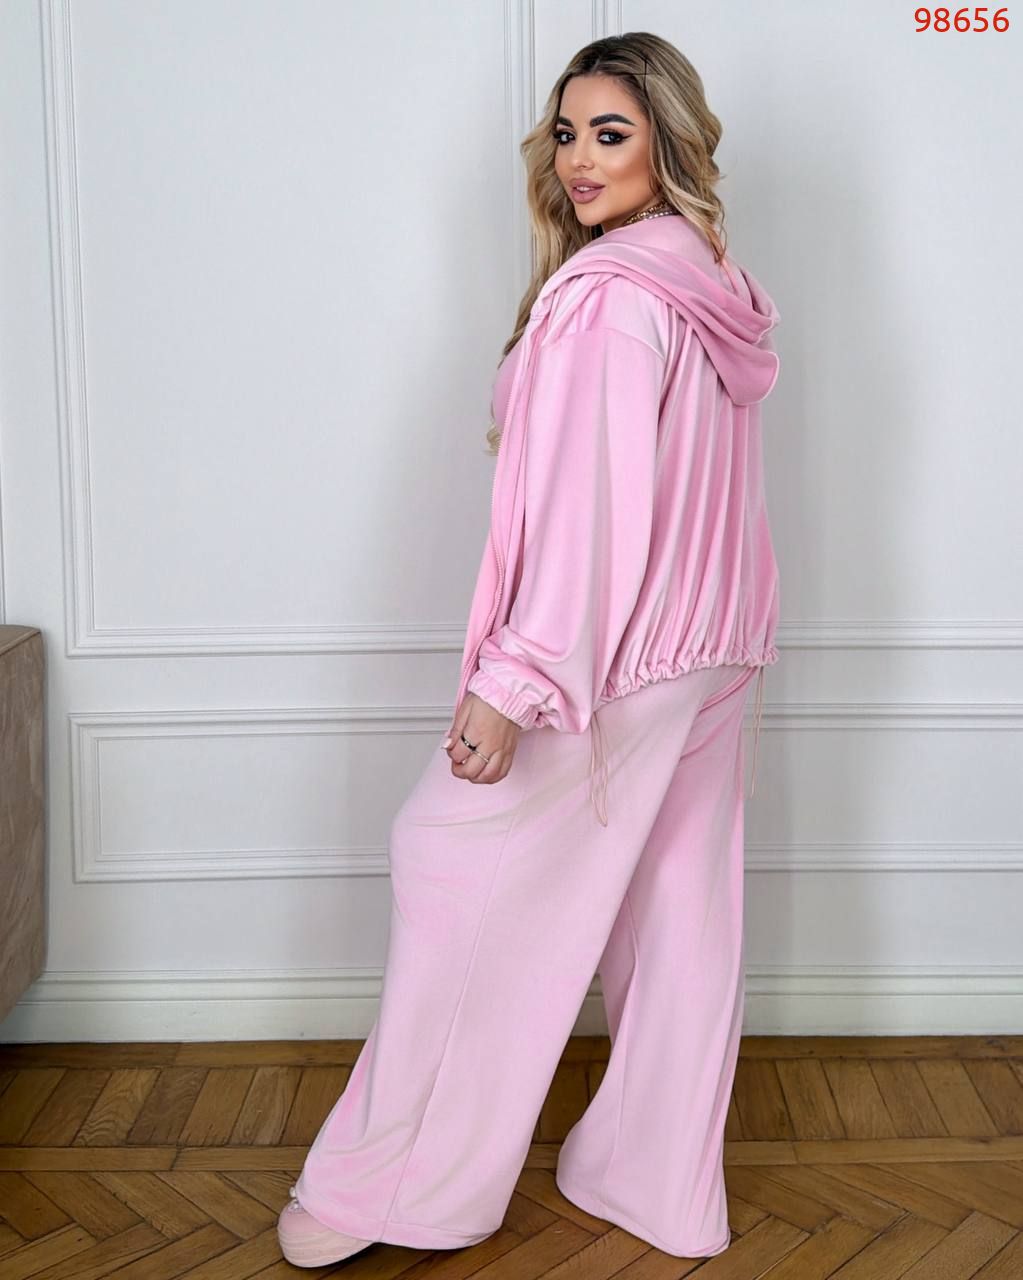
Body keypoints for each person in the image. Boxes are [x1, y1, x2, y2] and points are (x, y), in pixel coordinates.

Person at [278, 29, 781, 1268]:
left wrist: (517, 680)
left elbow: (589, 516)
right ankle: (653, 1182)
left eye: (611, 133)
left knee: (447, 859)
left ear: (669, 143)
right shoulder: (707, 280)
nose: (579, 159)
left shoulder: (609, 299)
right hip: (715, 643)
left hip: (619, 653)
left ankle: (394, 1192)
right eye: (566, 133)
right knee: (677, 911)